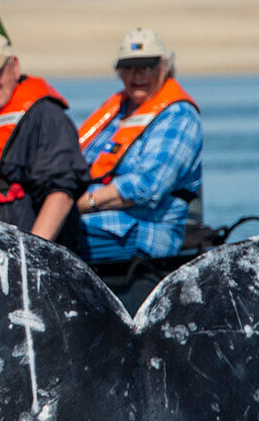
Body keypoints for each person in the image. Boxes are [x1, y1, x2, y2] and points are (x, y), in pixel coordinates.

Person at [0, 33, 87, 251]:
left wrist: (32, 256)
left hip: (19, 257)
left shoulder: (46, 117)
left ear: (14, 66)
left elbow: (61, 193)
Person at [75, 28, 202, 262]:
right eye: (128, 68)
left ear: (165, 66)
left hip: (144, 231)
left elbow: (147, 186)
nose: (136, 76)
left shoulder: (179, 115)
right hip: (90, 222)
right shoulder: (115, 111)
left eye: (146, 67)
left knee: (50, 241)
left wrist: (79, 204)